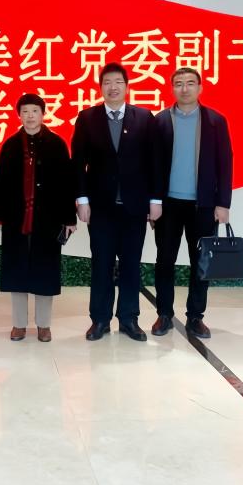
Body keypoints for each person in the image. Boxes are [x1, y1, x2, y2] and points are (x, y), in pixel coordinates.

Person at [71, 63, 156, 342]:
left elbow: (154, 163)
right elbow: (78, 162)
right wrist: (82, 199)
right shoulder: (87, 118)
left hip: (134, 208)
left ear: (127, 86)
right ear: (101, 87)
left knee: (131, 264)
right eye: (107, 82)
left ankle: (129, 319)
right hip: (101, 208)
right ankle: (100, 320)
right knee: (102, 264)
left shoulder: (144, 117)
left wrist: (155, 200)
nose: (113, 87)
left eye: (118, 81)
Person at [150, 67, 233, 339]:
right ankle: (164, 314)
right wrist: (153, 201)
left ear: (199, 88)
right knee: (165, 261)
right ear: (172, 88)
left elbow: (225, 163)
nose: (184, 89)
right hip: (168, 205)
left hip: (203, 205)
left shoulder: (215, 121)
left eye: (189, 83)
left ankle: (196, 317)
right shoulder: (161, 121)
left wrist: (223, 203)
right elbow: (151, 165)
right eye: (178, 84)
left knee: (201, 263)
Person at [0, 93, 76, 343]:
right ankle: (19, 324)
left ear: (43, 114)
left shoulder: (57, 144)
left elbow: (66, 184)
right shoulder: (10, 145)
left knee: (45, 270)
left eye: (35, 111)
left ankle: (44, 325)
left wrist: (69, 218)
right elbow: (0, 182)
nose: (30, 116)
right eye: (25, 111)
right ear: (19, 115)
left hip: (48, 219)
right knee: (17, 269)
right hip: (16, 219)